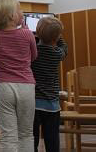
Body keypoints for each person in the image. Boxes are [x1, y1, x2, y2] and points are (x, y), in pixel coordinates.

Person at [0, 0, 37, 152]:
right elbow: (34, 56)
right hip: (26, 86)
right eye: (19, 9)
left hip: (4, 87)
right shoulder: (27, 34)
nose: (22, 12)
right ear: (12, 16)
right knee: (26, 134)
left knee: (8, 135)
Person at [32, 17, 67, 152]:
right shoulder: (57, 53)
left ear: (37, 33)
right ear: (57, 37)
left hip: (34, 103)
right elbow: (65, 48)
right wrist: (59, 37)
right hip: (51, 105)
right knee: (52, 140)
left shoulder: (33, 51)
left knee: (32, 138)